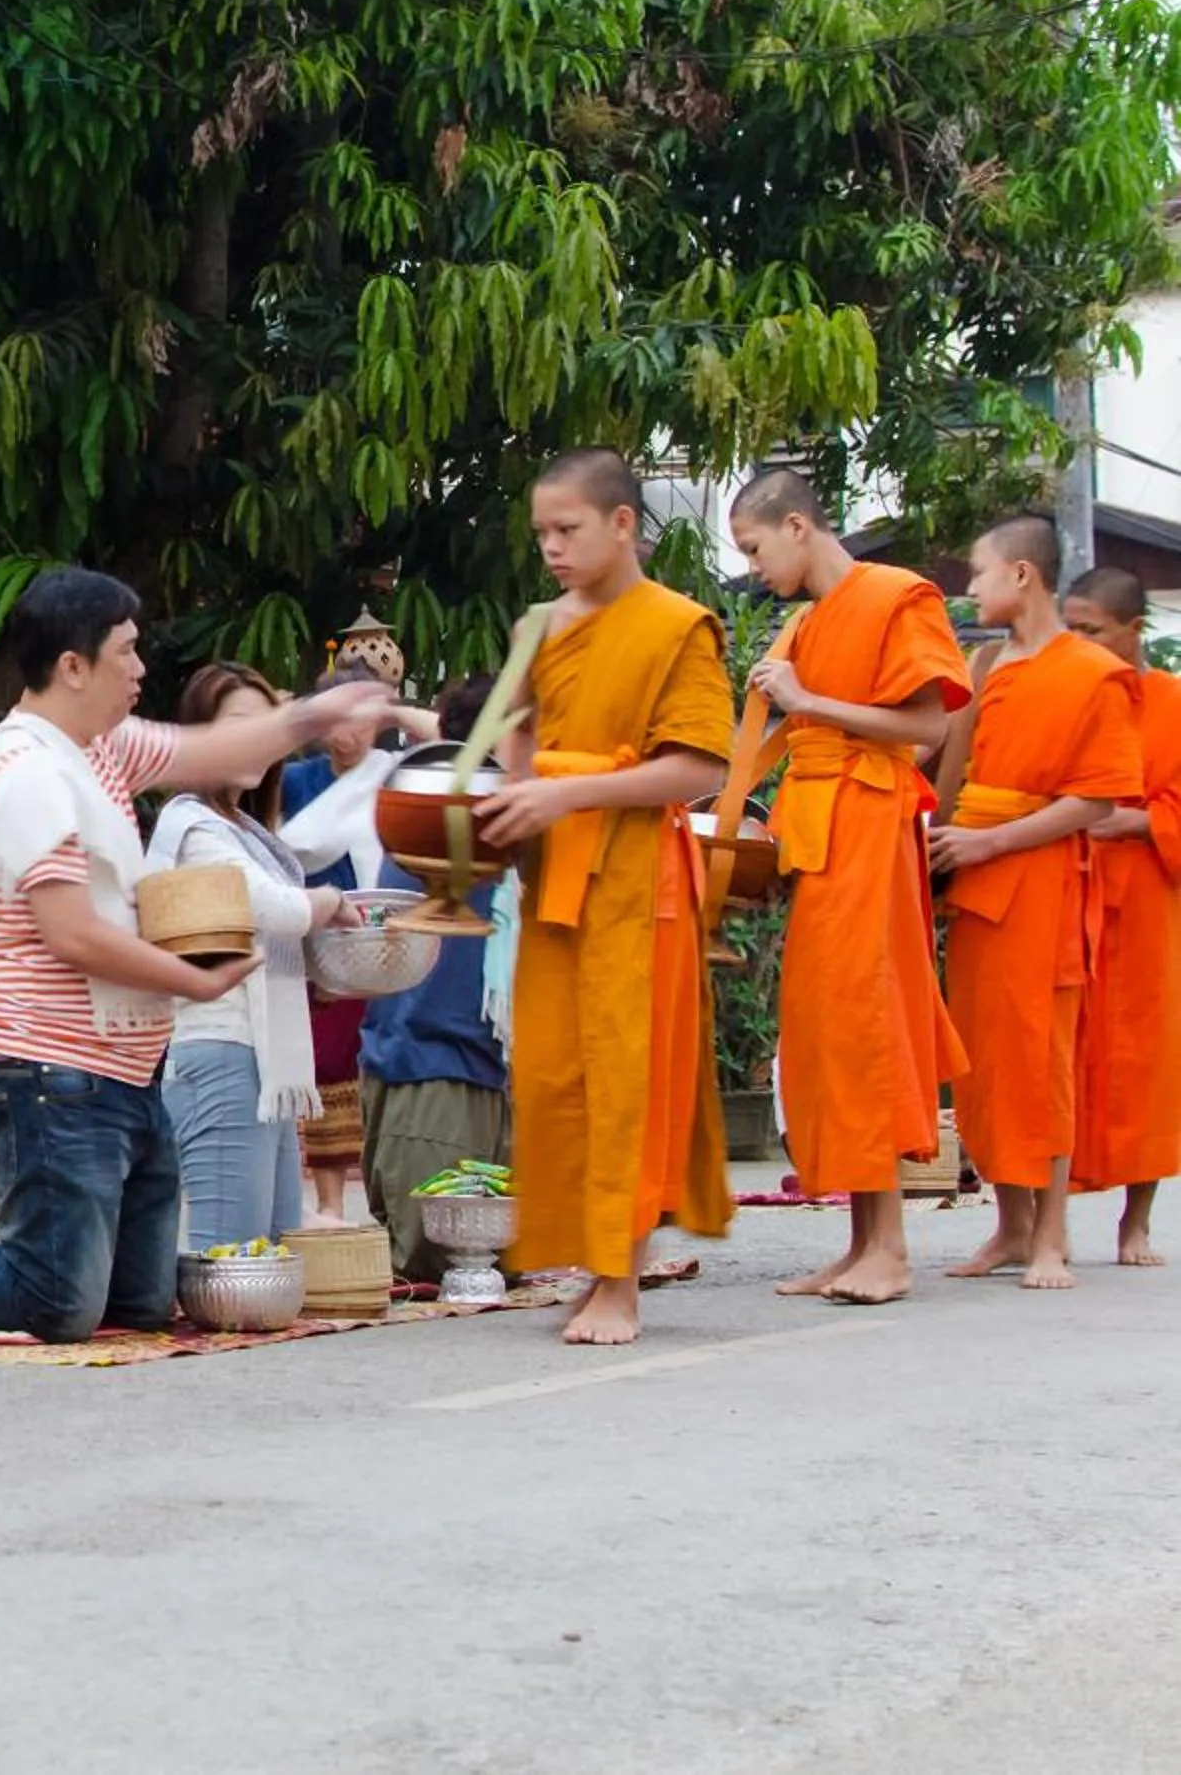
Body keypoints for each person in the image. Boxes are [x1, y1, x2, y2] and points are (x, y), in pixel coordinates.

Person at [0, 569, 386, 1342]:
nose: (142, 670)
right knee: (58, 1307)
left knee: (136, 1307)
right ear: (73, 666)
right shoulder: (27, 770)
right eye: (127, 653)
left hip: (127, 1074)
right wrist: (190, 981)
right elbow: (71, 932)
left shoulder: (100, 746)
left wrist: (320, 711)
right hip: (49, 1076)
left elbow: (213, 746)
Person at [475, 448, 734, 1345]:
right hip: (551, 879)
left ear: (623, 525)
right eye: (541, 532)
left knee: (624, 1076)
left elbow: (699, 767)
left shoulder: (679, 626)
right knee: (553, 1077)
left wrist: (565, 792)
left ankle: (620, 1280)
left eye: (567, 529)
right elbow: (511, 745)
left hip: (634, 879)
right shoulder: (536, 628)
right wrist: (507, 806)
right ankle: (587, 1264)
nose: (550, 547)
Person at [726, 470, 969, 1305]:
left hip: (869, 819)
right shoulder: (808, 621)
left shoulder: (898, 594)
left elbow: (927, 727)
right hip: (818, 829)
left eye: (755, 548)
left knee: (865, 1018)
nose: (753, 567)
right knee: (827, 1026)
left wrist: (807, 698)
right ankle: (861, 1241)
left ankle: (892, 1249)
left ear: (798, 525)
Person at [930, 517, 1143, 1288]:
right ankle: (1010, 1226)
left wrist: (993, 842)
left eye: (979, 573)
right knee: (984, 1065)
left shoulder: (1091, 672)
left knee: (1040, 1061)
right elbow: (953, 770)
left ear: (1023, 575)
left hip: (1042, 880)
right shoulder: (986, 664)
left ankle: (1052, 1232)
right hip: (978, 882)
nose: (971, 588)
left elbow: (1095, 799)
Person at [148, 663, 343, 1252]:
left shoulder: (247, 829)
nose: (257, 740)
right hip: (222, 1050)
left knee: (274, 1255)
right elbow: (266, 907)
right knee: (229, 1257)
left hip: (261, 1063)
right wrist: (329, 900)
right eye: (239, 724)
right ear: (200, 731)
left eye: (268, 727)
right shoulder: (192, 822)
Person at [360, 677, 514, 1285]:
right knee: (439, 1252)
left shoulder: (424, 787)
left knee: (488, 1248)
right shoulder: (461, 808)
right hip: (434, 1053)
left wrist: (394, 709)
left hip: (454, 1049)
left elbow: (446, 733)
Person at [276, 665, 436, 1226]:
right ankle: (327, 1203)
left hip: (392, 935)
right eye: (335, 721)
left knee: (388, 1059)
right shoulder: (297, 781)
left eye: (360, 720)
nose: (348, 735)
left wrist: (389, 708)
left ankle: (390, 1191)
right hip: (322, 941)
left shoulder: (394, 773)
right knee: (328, 1068)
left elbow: (454, 746)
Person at [1057, 567, 1181, 1266]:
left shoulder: (1170, 702)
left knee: (1145, 1060)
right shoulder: (1066, 695)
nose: (1079, 643)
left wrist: (1130, 824)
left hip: (1143, 900)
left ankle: (1136, 1222)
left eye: (1092, 631)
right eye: (1070, 629)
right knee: (1056, 1053)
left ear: (1135, 632)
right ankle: (1046, 1222)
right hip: (1068, 889)